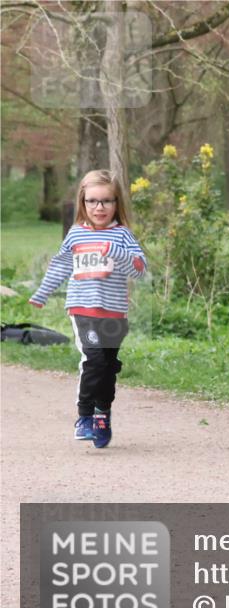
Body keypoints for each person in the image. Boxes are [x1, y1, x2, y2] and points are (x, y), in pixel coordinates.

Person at [29, 169, 147, 449]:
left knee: (108, 367)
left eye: (106, 201)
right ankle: (84, 416)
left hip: (114, 314)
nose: (99, 207)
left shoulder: (123, 236)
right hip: (82, 310)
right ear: (83, 203)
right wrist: (43, 292)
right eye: (92, 201)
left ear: (117, 203)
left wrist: (117, 253)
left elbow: (140, 269)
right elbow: (60, 265)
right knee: (93, 360)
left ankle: (102, 415)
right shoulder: (76, 235)